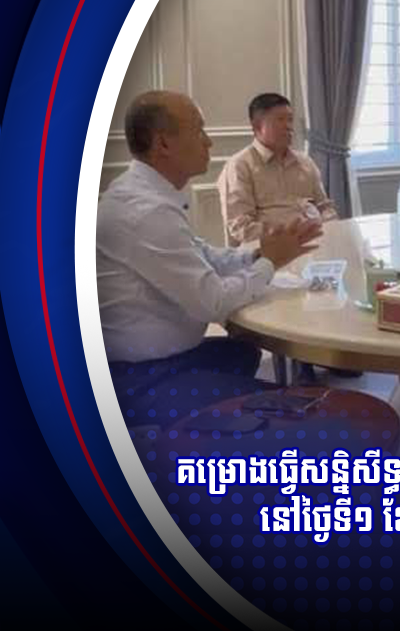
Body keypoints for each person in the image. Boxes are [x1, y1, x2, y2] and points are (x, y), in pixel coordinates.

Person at [97, 90, 320, 427]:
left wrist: (258, 253)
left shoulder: (150, 193)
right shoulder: (145, 212)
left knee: (242, 353)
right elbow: (214, 303)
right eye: (199, 130)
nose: (209, 142)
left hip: (155, 356)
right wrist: (269, 263)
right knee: (295, 415)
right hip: (137, 377)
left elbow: (205, 255)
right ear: (163, 144)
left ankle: (213, 431)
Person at [219, 92, 337, 247]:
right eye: (280, 120)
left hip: (317, 242)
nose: (289, 126)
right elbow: (241, 227)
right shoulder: (239, 166)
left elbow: (325, 207)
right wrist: (291, 235)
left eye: (290, 119)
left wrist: (332, 230)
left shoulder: (305, 162)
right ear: (257, 126)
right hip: (270, 250)